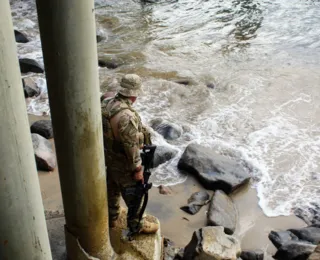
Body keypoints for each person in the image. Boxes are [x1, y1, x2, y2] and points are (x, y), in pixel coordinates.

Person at [101, 74, 158, 234]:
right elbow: (131, 147)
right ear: (134, 94)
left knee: (112, 189)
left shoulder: (107, 104)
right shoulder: (127, 116)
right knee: (135, 197)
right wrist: (137, 170)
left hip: (109, 158)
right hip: (124, 163)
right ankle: (136, 225)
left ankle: (112, 218)